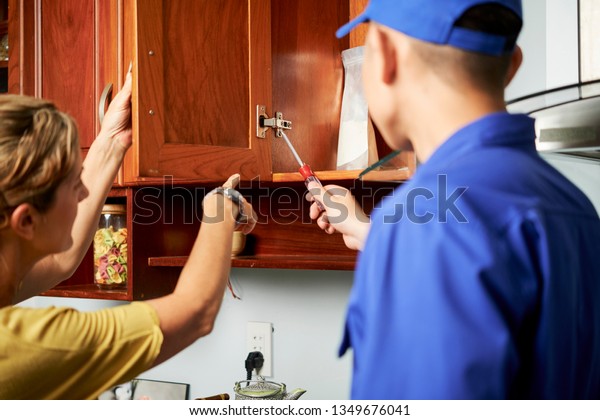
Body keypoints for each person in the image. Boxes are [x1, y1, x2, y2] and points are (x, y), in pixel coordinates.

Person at [308, 0, 600, 399]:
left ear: (387, 58)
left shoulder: (422, 220)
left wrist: (395, 235)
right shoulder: (574, 206)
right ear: (512, 65)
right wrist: (371, 231)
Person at [0, 69, 257, 399]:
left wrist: (112, 139)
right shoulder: (23, 344)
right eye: (73, 184)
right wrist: (223, 204)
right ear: (26, 222)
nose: (83, 194)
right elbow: (195, 312)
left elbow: (62, 259)